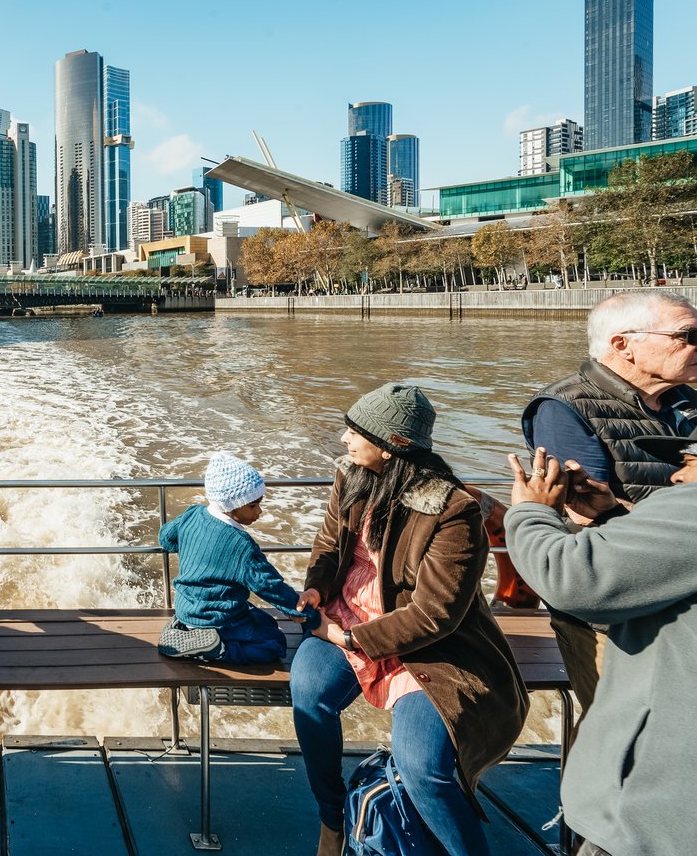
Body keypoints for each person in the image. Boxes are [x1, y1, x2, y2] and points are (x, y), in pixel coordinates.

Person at [292, 383, 528, 856]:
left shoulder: (452, 510)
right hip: (347, 615)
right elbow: (328, 547)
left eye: (355, 431)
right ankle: (332, 818)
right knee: (308, 692)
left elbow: (435, 613)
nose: (343, 439)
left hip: (431, 646)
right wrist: (318, 586)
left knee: (423, 768)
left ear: (392, 444)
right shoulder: (350, 476)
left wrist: (349, 638)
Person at [506, 440, 697, 856]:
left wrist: (530, 511)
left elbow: (569, 577)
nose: (676, 477)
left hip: (653, 818)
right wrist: (612, 516)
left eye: (690, 462)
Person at [521, 289, 697, 714]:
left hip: (684, 598)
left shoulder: (686, 400)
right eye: (688, 335)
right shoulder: (565, 407)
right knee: (619, 725)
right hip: (614, 610)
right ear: (624, 345)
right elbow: (587, 519)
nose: (696, 346)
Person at [157, 452, 315, 662]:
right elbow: (268, 585)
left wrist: (195, 548)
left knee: (264, 622)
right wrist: (299, 608)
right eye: (252, 505)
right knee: (275, 642)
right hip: (219, 617)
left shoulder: (192, 514)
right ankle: (218, 650)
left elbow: (165, 539)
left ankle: (188, 630)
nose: (259, 511)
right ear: (231, 505)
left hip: (186, 608)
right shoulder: (241, 545)